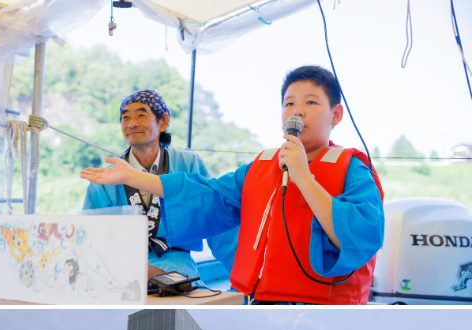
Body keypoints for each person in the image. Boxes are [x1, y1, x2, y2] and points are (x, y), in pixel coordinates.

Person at [80, 66, 384, 304]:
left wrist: (303, 177)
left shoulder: (352, 168)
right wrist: (132, 177)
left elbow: (364, 232)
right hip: (262, 301)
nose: (297, 111)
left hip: (323, 306)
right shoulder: (261, 166)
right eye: (289, 103)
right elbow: (209, 196)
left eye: (311, 102)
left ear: (336, 114)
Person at [82, 89, 237, 279]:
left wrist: (244, 281)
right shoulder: (105, 178)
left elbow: (217, 221)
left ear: (163, 121)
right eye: (125, 117)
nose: (131, 123)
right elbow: (91, 238)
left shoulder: (188, 164)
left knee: (182, 295)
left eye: (141, 114)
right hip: (121, 268)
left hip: (177, 265)